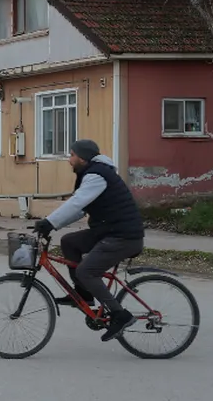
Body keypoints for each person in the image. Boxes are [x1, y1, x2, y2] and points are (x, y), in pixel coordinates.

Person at [33, 139, 145, 341]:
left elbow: (76, 203)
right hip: (108, 231)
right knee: (69, 242)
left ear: (82, 158)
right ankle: (83, 294)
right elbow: (80, 210)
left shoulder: (97, 175)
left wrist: (49, 222)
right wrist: (53, 224)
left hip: (123, 236)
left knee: (86, 271)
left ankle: (120, 315)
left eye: (72, 155)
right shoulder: (93, 173)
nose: (69, 160)